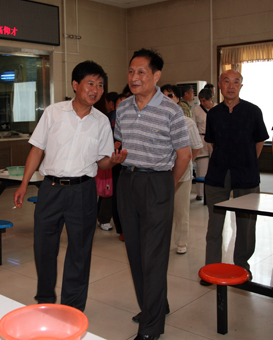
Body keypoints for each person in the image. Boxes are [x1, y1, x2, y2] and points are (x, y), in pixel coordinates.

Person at [13, 61, 127, 312]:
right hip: (50, 189)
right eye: (90, 83)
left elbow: (102, 161)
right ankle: (45, 301)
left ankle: (72, 308)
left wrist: (113, 161)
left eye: (100, 85)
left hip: (83, 191)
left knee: (80, 250)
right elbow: (37, 149)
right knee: (44, 247)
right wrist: (23, 184)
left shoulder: (101, 121)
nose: (96, 90)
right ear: (75, 85)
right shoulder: (53, 112)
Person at [115, 49, 191, 340]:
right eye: (131, 71)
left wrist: (167, 184)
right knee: (135, 250)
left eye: (141, 72)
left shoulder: (172, 110)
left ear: (156, 76)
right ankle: (153, 305)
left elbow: (184, 155)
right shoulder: (123, 108)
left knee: (154, 255)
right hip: (127, 181)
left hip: (158, 181)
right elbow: (120, 143)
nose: (134, 77)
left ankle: (151, 327)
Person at [201, 70, 268, 285]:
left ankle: (242, 266)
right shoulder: (213, 114)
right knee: (214, 224)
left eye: (236, 82)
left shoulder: (253, 111)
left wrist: (248, 161)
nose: (231, 86)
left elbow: (259, 141)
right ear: (219, 85)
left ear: (241, 86)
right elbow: (212, 143)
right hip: (218, 173)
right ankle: (211, 267)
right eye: (227, 81)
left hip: (246, 173)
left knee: (246, 224)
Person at [162, 85, 203, 255]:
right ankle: (161, 242)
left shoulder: (188, 123)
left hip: (182, 176)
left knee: (181, 210)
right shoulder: (156, 121)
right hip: (161, 174)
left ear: (178, 99)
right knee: (161, 212)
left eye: (170, 96)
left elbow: (197, 146)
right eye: (162, 96)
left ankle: (181, 242)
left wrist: (187, 163)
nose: (166, 99)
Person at [97, 91, 119, 232]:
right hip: (110, 159)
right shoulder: (107, 119)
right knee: (107, 189)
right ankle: (103, 218)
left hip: (121, 161)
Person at [192, 88, 215, 200]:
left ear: (211, 99)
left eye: (204, 101)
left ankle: (212, 192)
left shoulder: (218, 108)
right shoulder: (197, 109)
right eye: (201, 100)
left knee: (215, 166)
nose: (202, 103)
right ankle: (200, 193)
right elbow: (194, 126)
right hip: (202, 138)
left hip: (214, 140)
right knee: (202, 167)